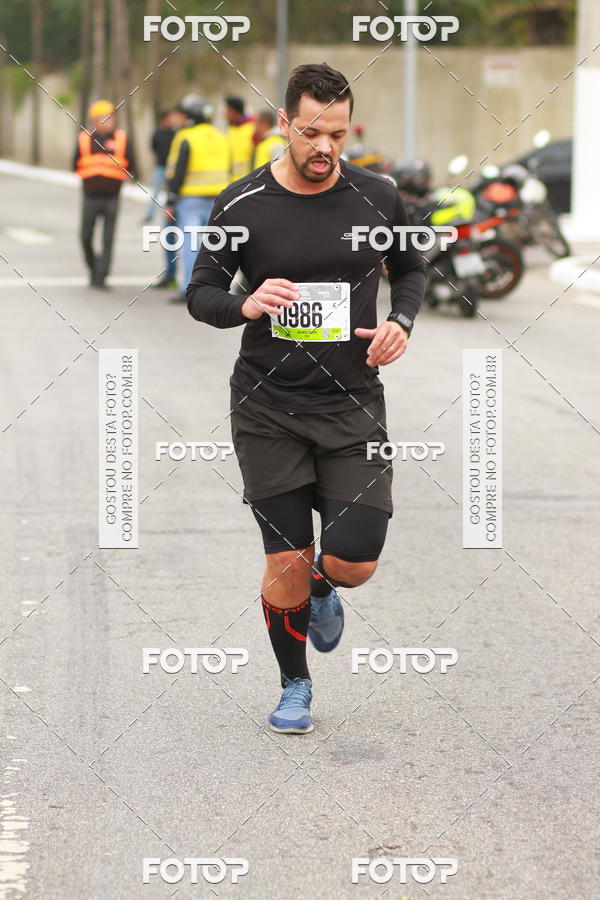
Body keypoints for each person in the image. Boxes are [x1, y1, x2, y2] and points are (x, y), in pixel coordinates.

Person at [186, 63, 426, 734]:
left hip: (352, 403)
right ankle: (295, 684)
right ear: (284, 124)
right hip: (267, 406)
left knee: (355, 560)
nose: (325, 148)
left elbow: (411, 268)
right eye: (312, 133)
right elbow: (200, 292)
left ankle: (326, 584)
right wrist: (244, 303)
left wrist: (401, 322)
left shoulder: (377, 196)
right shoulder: (242, 204)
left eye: (338, 135)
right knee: (285, 559)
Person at [165, 95, 229, 303]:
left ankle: (189, 289)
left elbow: (178, 170)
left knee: (191, 245)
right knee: (216, 246)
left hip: (190, 198)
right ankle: (216, 288)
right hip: (218, 199)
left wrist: (171, 200)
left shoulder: (185, 136)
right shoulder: (221, 136)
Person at [74, 100, 137, 289]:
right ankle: (94, 267)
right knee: (85, 236)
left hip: (112, 196)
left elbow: (132, 166)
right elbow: (75, 164)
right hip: (91, 196)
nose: (109, 121)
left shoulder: (121, 139)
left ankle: (101, 277)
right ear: (95, 120)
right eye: (104, 117)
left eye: (111, 117)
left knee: (108, 239)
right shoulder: (84, 139)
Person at [143, 109, 176, 224]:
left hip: (171, 167)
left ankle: (168, 215)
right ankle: (150, 214)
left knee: (170, 193)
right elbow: (153, 147)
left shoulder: (173, 133)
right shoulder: (157, 133)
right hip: (160, 167)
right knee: (155, 193)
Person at [225, 96, 255, 182]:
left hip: (249, 181)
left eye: (228, 111)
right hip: (233, 182)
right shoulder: (231, 130)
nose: (225, 114)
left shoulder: (252, 129)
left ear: (235, 111)